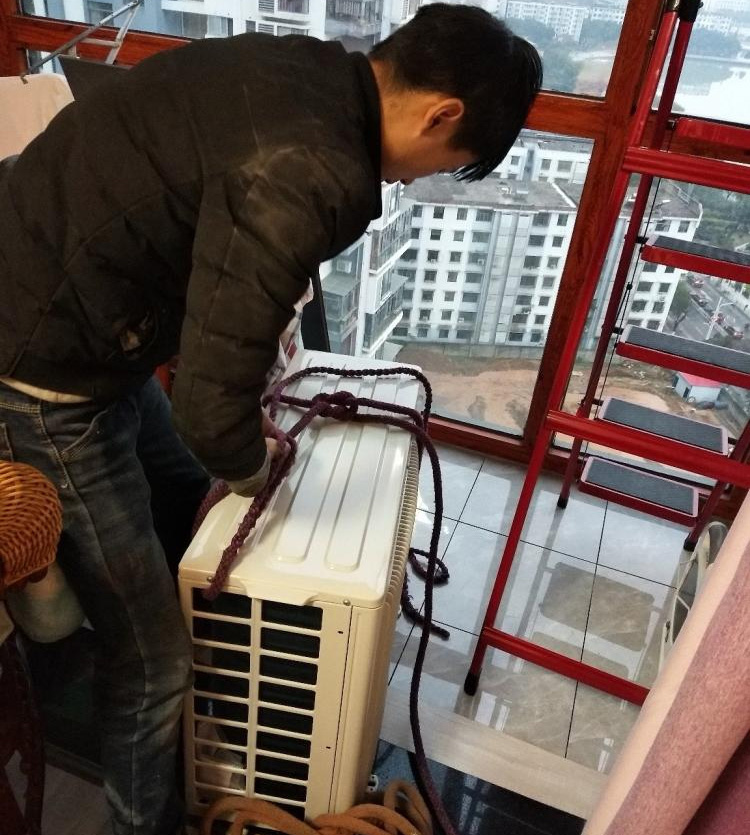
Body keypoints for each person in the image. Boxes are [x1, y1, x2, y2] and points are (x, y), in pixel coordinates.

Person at [0, 5, 541, 833]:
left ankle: (189, 708)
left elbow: (216, 282)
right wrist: (262, 465)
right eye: (447, 163)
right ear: (442, 115)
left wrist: (243, 423)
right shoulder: (313, 167)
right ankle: (139, 820)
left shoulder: (305, 70)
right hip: (42, 360)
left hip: (83, 308)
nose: (413, 181)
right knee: (154, 662)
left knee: (192, 498)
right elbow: (210, 411)